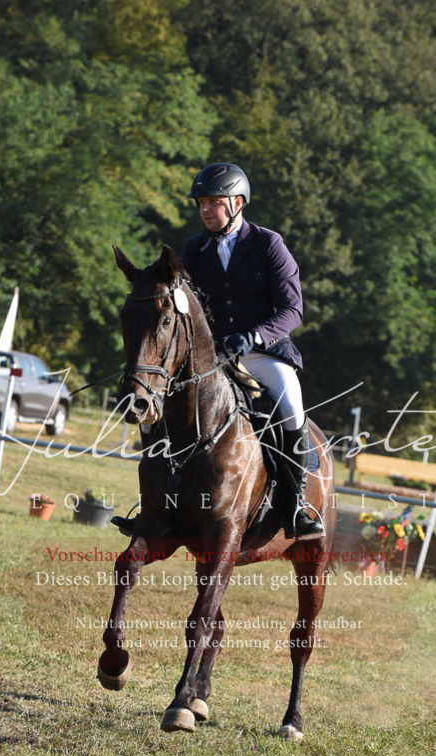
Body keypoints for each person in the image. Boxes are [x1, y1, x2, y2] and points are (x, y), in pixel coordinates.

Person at [113, 162, 324, 540]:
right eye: (201, 203)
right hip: (212, 360)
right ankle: (154, 510)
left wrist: (255, 337)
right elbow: (173, 295)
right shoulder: (194, 249)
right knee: (152, 413)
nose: (206, 210)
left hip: (265, 353)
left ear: (237, 203)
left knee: (292, 409)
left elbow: (293, 310)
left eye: (214, 202)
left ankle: (297, 508)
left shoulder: (268, 244)